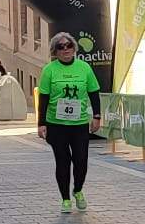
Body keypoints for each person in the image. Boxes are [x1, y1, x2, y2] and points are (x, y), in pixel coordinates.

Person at [36, 33, 102, 211]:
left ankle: (78, 190)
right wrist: (41, 124)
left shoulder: (84, 68)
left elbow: (94, 93)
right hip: (56, 124)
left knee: (81, 161)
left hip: (79, 124)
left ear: (74, 48)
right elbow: (43, 98)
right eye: (61, 47)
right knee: (63, 161)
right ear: (55, 51)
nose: (65, 49)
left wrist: (97, 116)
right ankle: (65, 199)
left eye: (69, 46)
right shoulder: (49, 70)